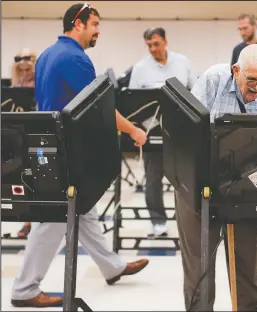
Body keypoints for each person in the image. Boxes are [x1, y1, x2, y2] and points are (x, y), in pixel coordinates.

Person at [11, 3, 149, 308]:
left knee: (82, 209)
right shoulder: (76, 58)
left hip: (47, 143)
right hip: (65, 148)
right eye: (95, 24)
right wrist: (133, 130)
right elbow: (99, 108)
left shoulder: (47, 54)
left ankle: (111, 267)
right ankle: (25, 288)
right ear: (78, 23)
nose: (98, 30)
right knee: (55, 216)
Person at [176, 44, 257, 311]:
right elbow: (188, 129)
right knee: (198, 262)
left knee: (246, 260)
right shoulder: (214, 79)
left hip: (245, 184)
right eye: (252, 80)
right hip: (200, 179)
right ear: (236, 70)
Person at [128, 27, 195, 237]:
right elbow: (131, 102)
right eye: (149, 45)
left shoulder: (182, 62)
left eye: (156, 44)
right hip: (152, 128)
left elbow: (194, 91)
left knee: (185, 176)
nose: (153, 49)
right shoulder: (140, 68)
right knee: (153, 177)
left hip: (180, 129)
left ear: (165, 41)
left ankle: (190, 218)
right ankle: (158, 221)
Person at [10, 48, 37, 238]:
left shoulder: (39, 83)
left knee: (35, 178)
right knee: (19, 179)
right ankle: (26, 220)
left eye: (27, 58)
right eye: (19, 58)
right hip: (17, 137)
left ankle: (33, 220)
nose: (23, 62)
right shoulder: (15, 85)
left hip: (35, 135)